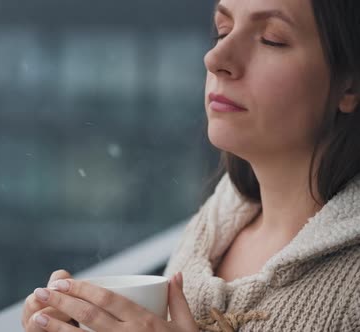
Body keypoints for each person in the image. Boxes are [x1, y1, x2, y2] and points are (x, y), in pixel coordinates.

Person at [21, 0, 360, 330]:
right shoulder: (206, 233)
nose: (215, 58)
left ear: (350, 84)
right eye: (222, 31)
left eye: (272, 38)